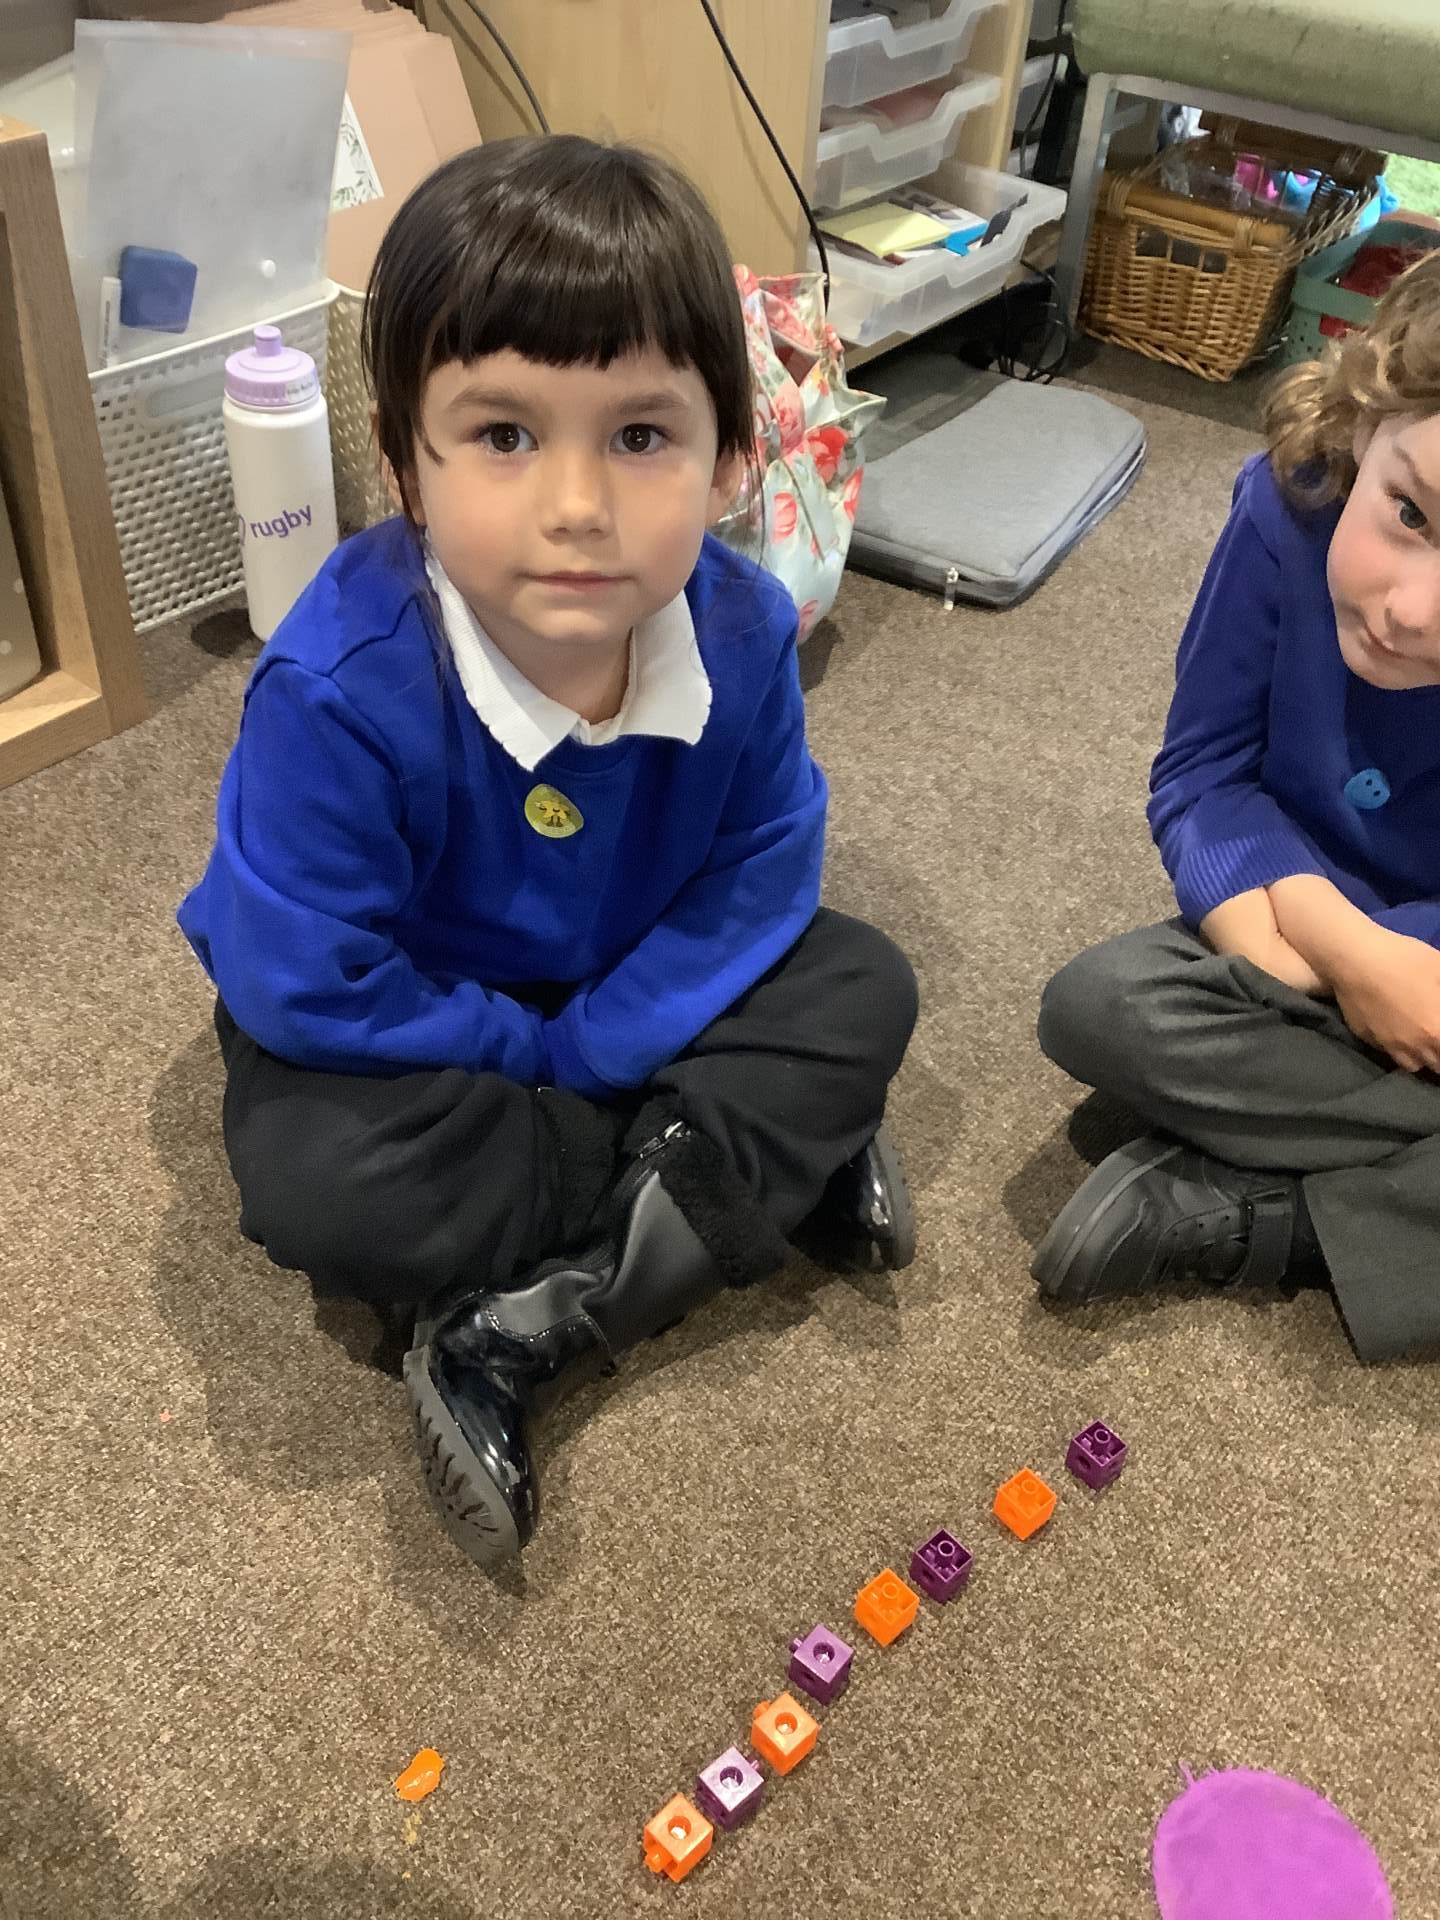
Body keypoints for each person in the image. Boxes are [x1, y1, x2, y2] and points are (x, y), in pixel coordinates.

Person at [177, 135, 918, 1566]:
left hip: (620, 986)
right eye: (505, 436)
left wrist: (597, 1041)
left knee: (863, 986)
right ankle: (724, 1169)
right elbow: (307, 977)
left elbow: (762, 874)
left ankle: (539, 1309)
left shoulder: (747, 634)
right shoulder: (337, 686)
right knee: (318, 1182)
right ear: (403, 462)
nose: (576, 506)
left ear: (729, 462)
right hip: (420, 1028)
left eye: (639, 437)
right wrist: (542, 1055)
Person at [1032, 251, 1440, 1365]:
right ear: (1365, 421)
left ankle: (1287, 1220)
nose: (1411, 613)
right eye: (1410, 512)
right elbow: (1204, 772)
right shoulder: (1285, 507)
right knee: (1101, 1006)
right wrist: (1346, 947)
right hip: (1291, 936)